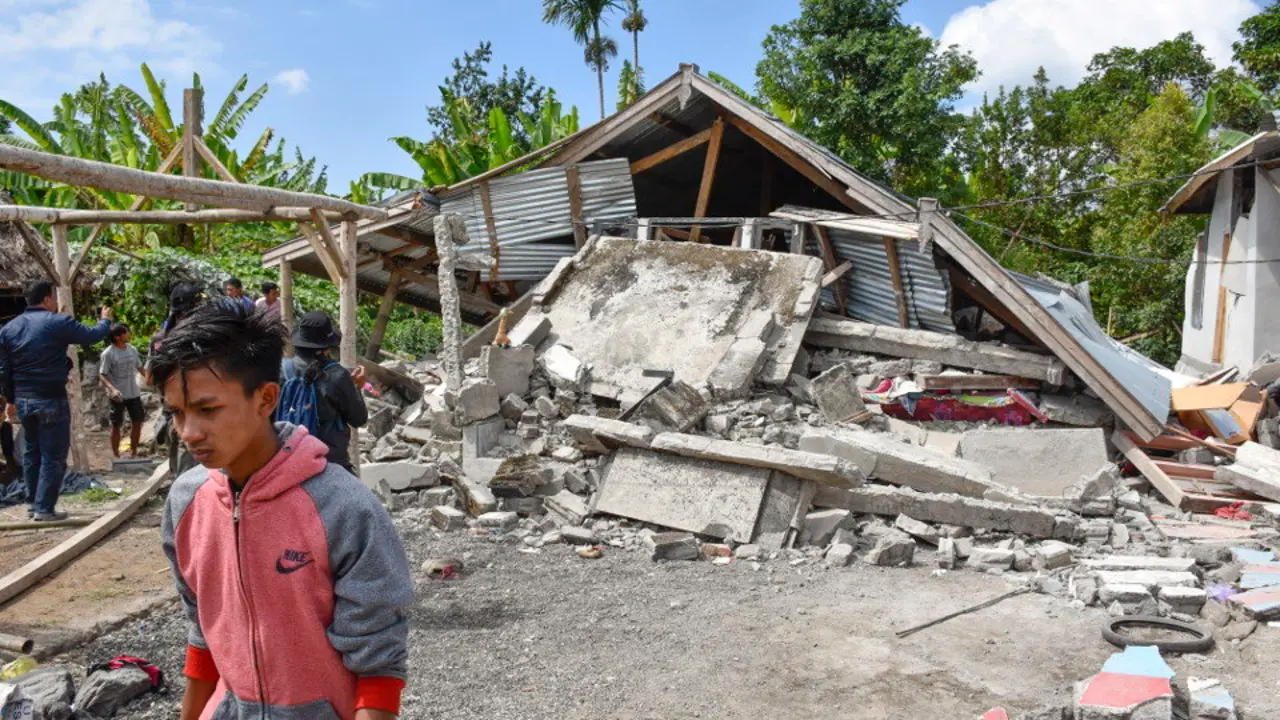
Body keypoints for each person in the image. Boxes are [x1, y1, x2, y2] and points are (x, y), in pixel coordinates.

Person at [154, 301, 411, 720]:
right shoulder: (186, 502)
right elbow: (203, 635)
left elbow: (378, 665)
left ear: (267, 398)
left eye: (207, 409)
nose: (189, 433)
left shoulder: (345, 508)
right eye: (176, 413)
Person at [0, 280, 112, 521]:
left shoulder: (9, 329)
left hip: (24, 400)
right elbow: (93, 336)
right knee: (53, 455)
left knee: (33, 452)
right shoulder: (57, 323)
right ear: (48, 299)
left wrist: (10, 399)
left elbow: (4, 370)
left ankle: (32, 502)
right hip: (50, 399)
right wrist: (105, 319)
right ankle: (44, 508)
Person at [281, 311, 369, 472]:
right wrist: (357, 386)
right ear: (326, 348)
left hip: (283, 462)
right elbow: (359, 419)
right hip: (328, 464)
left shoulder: (279, 370)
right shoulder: (337, 375)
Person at [148, 282, 202, 478]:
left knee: (180, 473)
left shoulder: (159, 339)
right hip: (199, 414)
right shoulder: (203, 336)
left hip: (172, 413)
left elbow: (150, 379)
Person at [99, 323, 146, 458]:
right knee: (116, 424)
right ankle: (116, 455)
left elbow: (140, 367)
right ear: (118, 337)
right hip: (117, 396)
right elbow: (102, 374)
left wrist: (150, 380)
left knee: (137, 421)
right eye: (126, 332)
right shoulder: (108, 354)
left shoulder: (132, 350)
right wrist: (112, 389)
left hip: (134, 393)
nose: (129, 334)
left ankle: (134, 452)